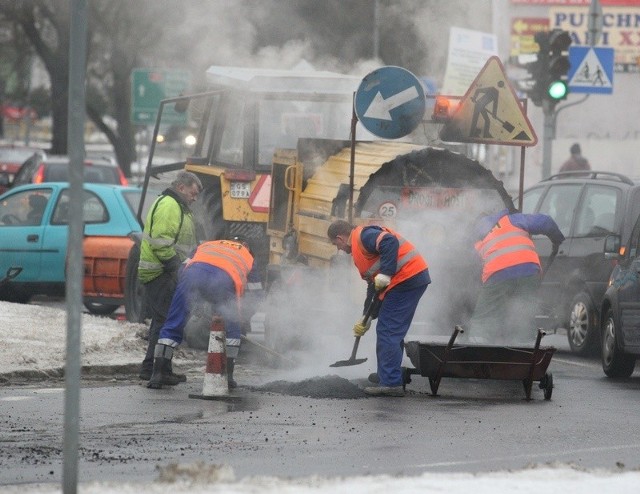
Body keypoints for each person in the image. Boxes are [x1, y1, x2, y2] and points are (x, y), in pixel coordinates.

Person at [327, 220, 430, 397]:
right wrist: (366, 317)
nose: (339, 249)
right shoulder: (361, 251)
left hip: (407, 278)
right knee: (389, 328)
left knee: (388, 329)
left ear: (340, 238)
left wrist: (386, 273)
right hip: (405, 280)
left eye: (336, 244)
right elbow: (373, 287)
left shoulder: (363, 236)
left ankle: (390, 383)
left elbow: (389, 241)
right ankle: (388, 375)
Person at [147, 238, 259, 389]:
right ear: (247, 247)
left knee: (174, 322)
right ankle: (227, 376)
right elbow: (255, 295)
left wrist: (194, 300)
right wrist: (244, 318)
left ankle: (158, 373)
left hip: (191, 275)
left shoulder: (209, 244)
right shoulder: (248, 257)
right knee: (233, 326)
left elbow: (184, 267)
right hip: (225, 279)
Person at [138, 171, 202, 382]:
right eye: (192, 193)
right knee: (166, 321)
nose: (194, 198)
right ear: (181, 188)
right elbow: (161, 242)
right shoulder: (169, 206)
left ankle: (153, 368)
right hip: (161, 271)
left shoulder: (177, 206)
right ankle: (159, 370)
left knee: (161, 321)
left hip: (163, 270)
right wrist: (177, 266)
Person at [468, 208, 565, 344]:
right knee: (524, 315)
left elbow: (475, 271)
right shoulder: (512, 219)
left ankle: (476, 351)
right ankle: (525, 353)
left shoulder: (477, 238)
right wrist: (557, 239)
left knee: (483, 318)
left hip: (497, 273)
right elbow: (546, 221)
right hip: (529, 271)